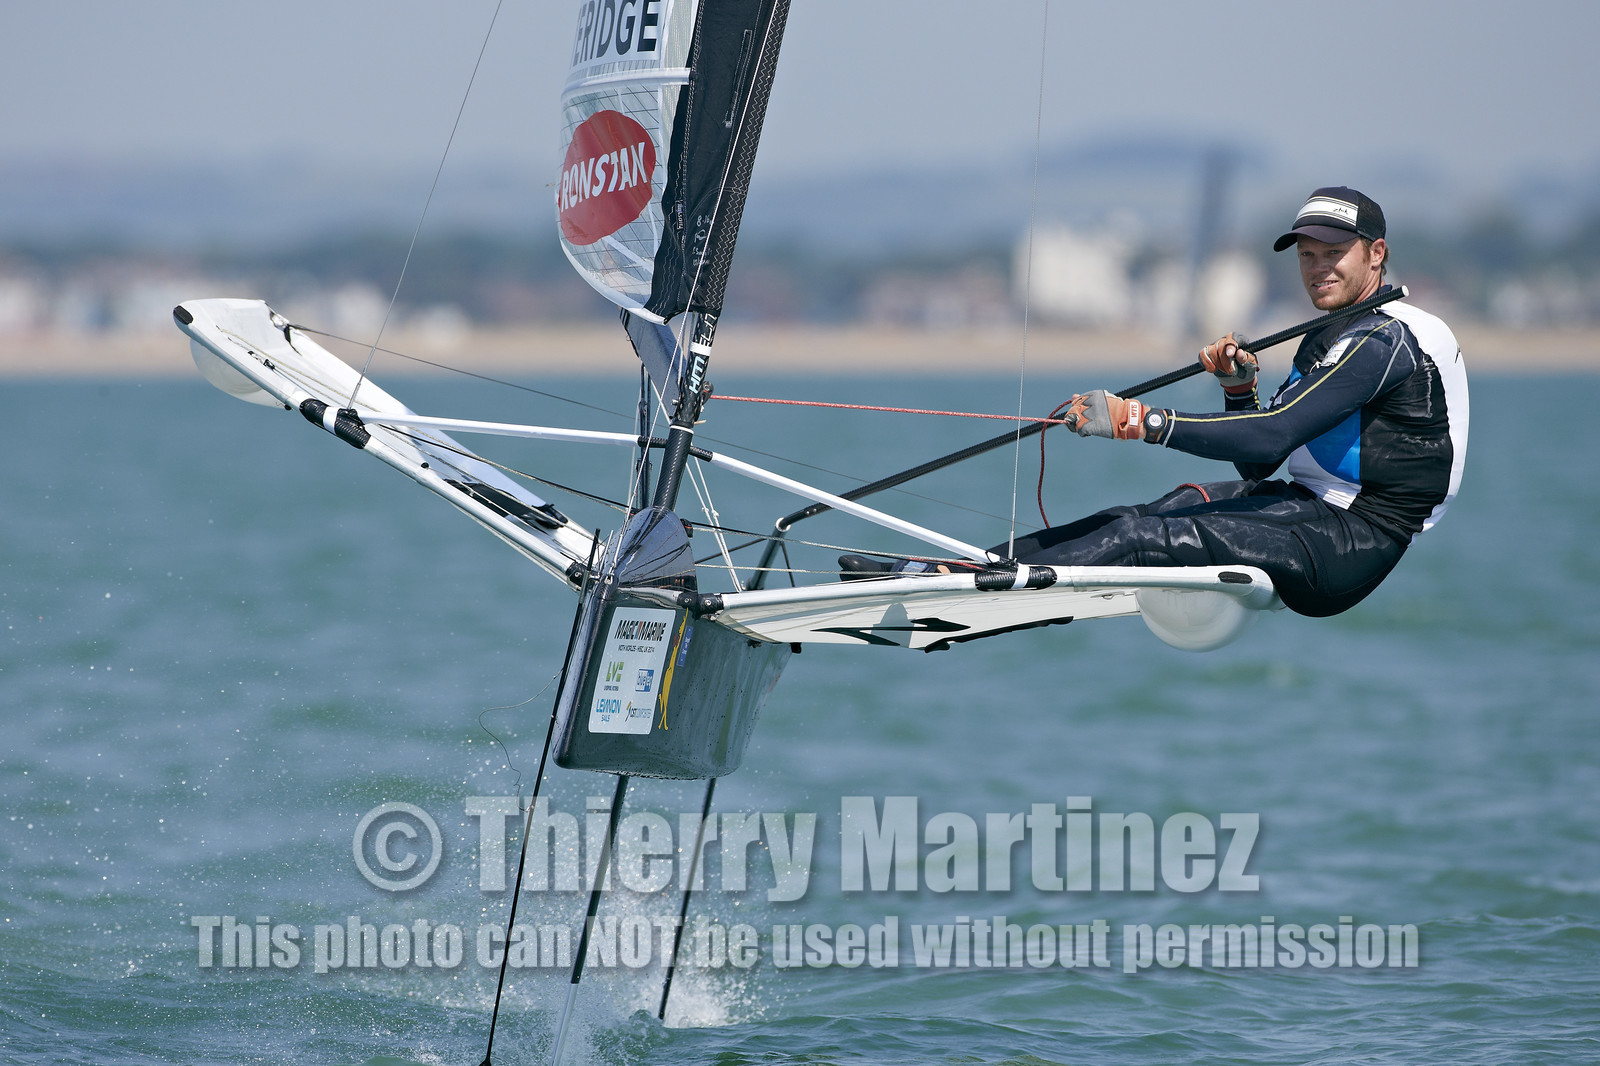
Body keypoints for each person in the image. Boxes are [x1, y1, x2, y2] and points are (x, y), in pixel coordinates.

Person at [846, 187, 1469, 617]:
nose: (1317, 269)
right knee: (1148, 513)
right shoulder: (1336, 334)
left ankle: (968, 589)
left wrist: (1138, 421)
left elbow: (1269, 438)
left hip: (1353, 543)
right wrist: (1237, 390)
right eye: (1308, 256)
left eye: (1333, 254)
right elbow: (1257, 467)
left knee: (1143, 538)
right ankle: (969, 568)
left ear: (1376, 254)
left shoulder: (1386, 341)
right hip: (1305, 508)